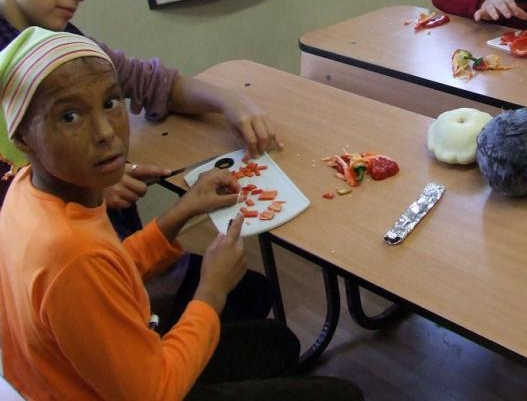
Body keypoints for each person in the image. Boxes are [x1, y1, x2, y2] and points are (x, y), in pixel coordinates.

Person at [0, 28, 363, 400]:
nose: (106, 132)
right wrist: (211, 290)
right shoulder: (70, 254)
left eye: (110, 102)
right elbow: (155, 392)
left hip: (79, 377)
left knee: (276, 342)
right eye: (70, 116)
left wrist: (181, 212)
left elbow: (109, 271)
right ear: (23, 137)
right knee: (344, 396)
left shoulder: (26, 188)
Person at [0, 0, 273, 328]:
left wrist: (228, 100)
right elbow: (16, 193)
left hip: (119, 250)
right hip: (82, 278)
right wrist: (88, 184)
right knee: (247, 307)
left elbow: (145, 80)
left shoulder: (64, 37)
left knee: (252, 295)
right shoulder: (16, 63)